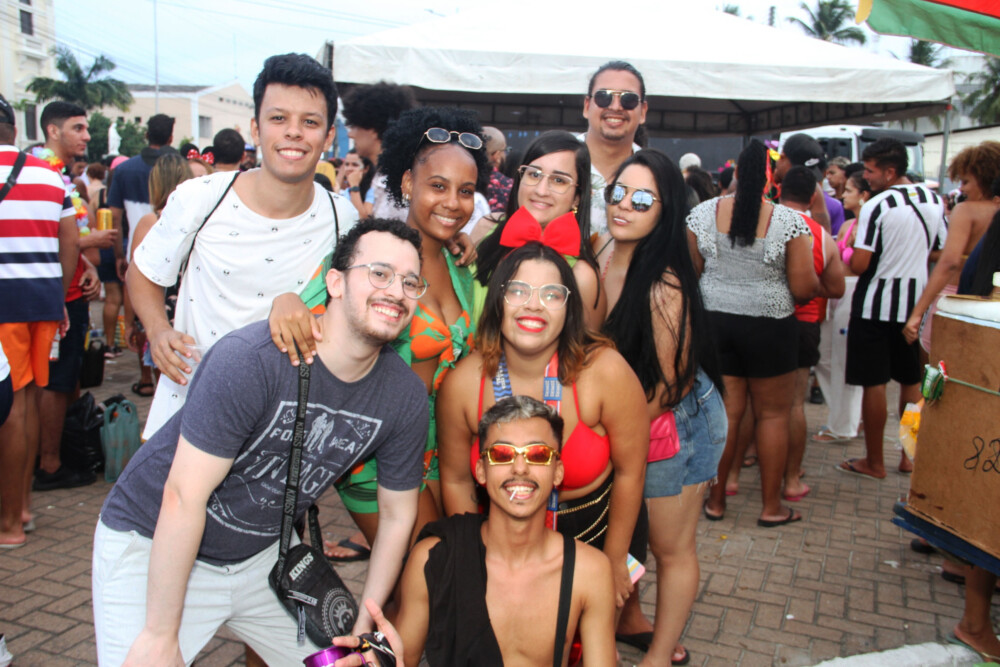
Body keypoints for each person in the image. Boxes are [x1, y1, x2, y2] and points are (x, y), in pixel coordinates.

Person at [91, 218, 430, 665]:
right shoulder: (251, 360)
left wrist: (362, 630)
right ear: (335, 282)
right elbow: (183, 495)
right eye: (379, 273)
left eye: (410, 282)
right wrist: (160, 632)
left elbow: (397, 515)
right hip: (153, 542)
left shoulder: (404, 396)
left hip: (262, 556)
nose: (396, 291)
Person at [269, 107, 491, 561]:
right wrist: (285, 302)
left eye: (466, 191)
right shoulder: (374, 253)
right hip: (374, 453)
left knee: (437, 577)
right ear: (408, 183)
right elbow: (305, 312)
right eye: (438, 186)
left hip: (442, 451)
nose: (453, 203)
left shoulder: (462, 269)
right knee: (427, 569)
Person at [128, 53, 359, 438]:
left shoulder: (342, 218)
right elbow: (144, 271)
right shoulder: (200, 197)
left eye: (310, 122)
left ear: (328, 136)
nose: (294, 132)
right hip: (187, 413)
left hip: (281, 431)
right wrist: (158, 330)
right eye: (278, 118)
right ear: (255, 128)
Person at [437, 242, 649, 638]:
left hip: (596, 531)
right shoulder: (463, 383)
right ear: (497, 301)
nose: (533, 305)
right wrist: (472, 558)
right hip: (502, 537)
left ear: (569, 309)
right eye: (518, 291)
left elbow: (632, 471)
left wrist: (615, 558)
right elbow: (455, 479)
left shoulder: (605, 371)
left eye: (552, 294)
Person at [330, 396, 617, 667]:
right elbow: (404, 659)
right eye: (502, 454)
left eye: (538, 455)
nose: (520, 468)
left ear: (558, 472)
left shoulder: (589, 571)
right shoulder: (436, 558)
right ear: (481, 471)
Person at [599, 149, 727, 667]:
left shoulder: (664, 283)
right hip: (632, 421)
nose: (624, 205)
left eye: (642, 199)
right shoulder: (602, 252)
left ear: (665, 210)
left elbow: (671, 385)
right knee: (626, 533)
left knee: (672, 549)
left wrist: (611, 435)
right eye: (619, 193)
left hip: (678, 425)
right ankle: (628, 623)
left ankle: (657, 656)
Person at [689, 139, 818, 526]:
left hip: (716, 323)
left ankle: (715, 502)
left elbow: (691, 274)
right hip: (770, 326)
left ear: (733, 174)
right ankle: (771, 507)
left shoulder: (702, 214)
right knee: (773, 416)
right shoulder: (789, 222)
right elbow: (803, 289)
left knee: (726, 414)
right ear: (769, 175)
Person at [0, 95, 80, 548]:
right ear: (14, 130)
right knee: (27, 400)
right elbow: (69, 241)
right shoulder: (49, 175)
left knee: (10, 407)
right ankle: (24, 505)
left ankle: (9, 522)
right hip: (43, 301)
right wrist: (59, 295)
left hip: (5, 305)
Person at [841, 138, 946, 479]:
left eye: (870, 171)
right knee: (910, 381)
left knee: (874, 383)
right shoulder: (934, 200)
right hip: (915, 306)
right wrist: (912, 253)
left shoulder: (876, 205)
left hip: (874, 305)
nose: (866, 176)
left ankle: (874, 461)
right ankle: (908, 456)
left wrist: (853, 248)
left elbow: (860, 263)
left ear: (889, 172)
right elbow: (941, 250)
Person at [31, 101, 106, 494]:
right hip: (58, 298)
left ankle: (52, 455)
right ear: (52, 131)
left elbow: (65, 241)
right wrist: (93, 241)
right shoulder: (41, 176)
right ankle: (49, 463)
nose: (86, 136)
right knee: (53, 383)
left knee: (65, 379)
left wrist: (87, 265)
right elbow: (54, 239)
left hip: (72, 291)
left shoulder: (60, 178)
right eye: (78, 128)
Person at [472, 131, 607, 329]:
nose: (541, 190)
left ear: (577, 197)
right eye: (534, 174)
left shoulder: (582, 277)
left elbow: (585, 346)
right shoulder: (486, 229)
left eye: (559, 180)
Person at [777, 167, 845, 500]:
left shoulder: (763, 224)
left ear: (779, 190)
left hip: (761, 322)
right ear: (814, 196)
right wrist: (809, 286)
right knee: (793, 405)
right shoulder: (820, 235)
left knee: (749, 402)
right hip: (803, 323)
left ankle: (733, 474)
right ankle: (791, 478)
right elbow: (837, 288)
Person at [903, 141, 1000, 351]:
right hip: (991, 302)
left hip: (954, 298)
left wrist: (917, 312)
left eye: (966, 181)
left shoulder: (966, 210)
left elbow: (949, 263)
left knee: (937, 365)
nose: (961, 188)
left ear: (983, 178)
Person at [126, 154, 194, 390]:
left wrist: (130, 322)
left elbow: (136, 274)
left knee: (166, 384)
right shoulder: (200, 217)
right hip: (190, 311)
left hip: (162, 313)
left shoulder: (152, 221)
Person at [813, 170, 868, 443]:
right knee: (823, 356)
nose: (843, 195)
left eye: (849, 191)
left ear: (863, 195)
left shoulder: (868, 227)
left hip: (853, 292)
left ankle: (844, 426)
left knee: (844, 360)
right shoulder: (847, 224)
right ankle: (845, 417)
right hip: (835, 293)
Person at [579, 61, 647, 236]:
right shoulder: (555, 160)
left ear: (643, 111)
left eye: (628, 99)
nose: (616, 107)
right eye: (604, 97)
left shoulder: (656, 175)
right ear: (587, 106)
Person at [107, 113, 176, 280]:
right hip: (173, 255)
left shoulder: (123, 169)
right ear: (171, 138)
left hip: (136, 251)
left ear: (146, 135)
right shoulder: (180, 169)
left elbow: (115, 217)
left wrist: (119, 255)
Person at [341, 81, 417, 222]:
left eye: (355, 126)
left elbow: (392, 230)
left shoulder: (395, 180)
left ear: (373, 129)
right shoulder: (387, 173)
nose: (350, 134)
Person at [773, 133, 841, 235]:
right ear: (782, 157)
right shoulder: (763, 180)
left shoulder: (812, 187)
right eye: (799, 172)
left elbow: (823, 234)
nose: (804, 177)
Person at [482, 125, 513, 212]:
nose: (505, 155)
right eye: (504, 150)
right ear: (497, 155)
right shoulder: (510, 187)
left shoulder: (460, 179)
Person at [338, 148, 374, 218]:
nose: (349, 168)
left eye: (355, 165)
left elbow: (363, 219)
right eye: (347, 164)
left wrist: (354, 186)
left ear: (366, 168)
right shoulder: (346, 191)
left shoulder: (372, 190)